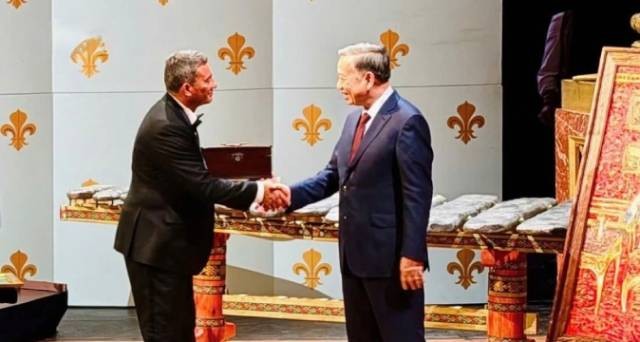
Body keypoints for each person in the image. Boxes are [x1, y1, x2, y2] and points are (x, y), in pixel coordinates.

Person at [113, 50, 289, 342]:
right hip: (156, 249)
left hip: (166, 248)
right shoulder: (166, 126)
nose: (215, 84)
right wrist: (259, 190)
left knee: (180, 332)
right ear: (187, 88)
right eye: (208, 79)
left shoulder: (174, 115)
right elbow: (202, 186)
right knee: (166, 335)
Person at [286, 43, 433, 341]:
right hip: (354, 257)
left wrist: (412, 257)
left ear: (368, 78)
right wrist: (287, 196)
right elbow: (331, 177)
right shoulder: (354, 119)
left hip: (391, 261)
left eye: (343, 77)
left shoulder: (407, 121)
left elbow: (417, 196)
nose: (338, 85)